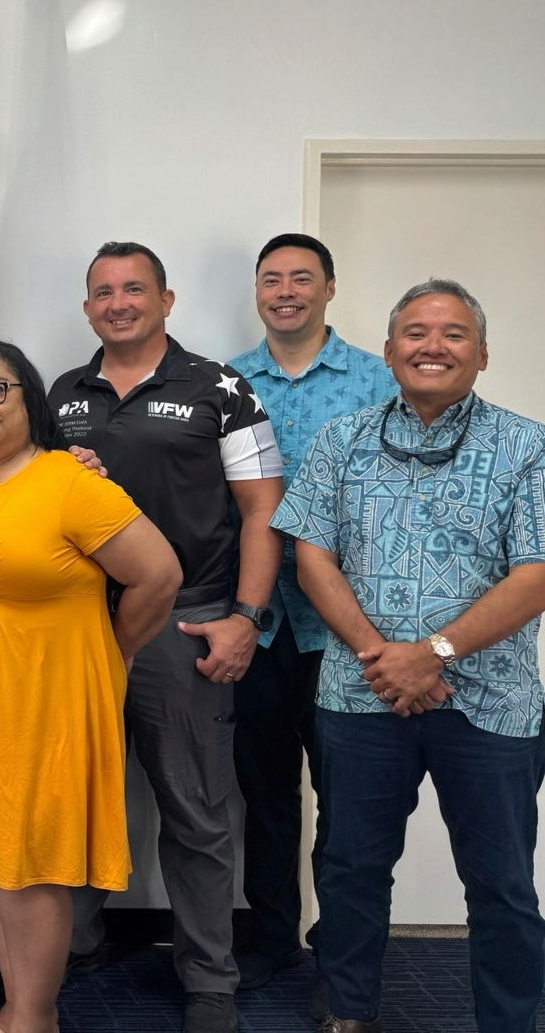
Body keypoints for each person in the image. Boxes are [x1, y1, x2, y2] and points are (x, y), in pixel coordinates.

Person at [272, 279, 545, 1033]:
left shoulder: (529, 444)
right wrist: (378, 653)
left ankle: (510, 1020)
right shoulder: (342, 440)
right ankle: (349, 1012)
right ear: (388, 351)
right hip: (362, 695)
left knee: (501, 883)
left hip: (493, 703)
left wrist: (435, 652)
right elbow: (311, 554)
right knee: (352, 869)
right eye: (415, 333)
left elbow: (537, 573)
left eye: (454, 333)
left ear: (482, 354)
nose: (433, 346)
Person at [0, 338, 181, 1033]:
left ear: (30, 399)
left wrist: (107, 655)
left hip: (40, 703)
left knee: (28, 868)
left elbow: (159, 575)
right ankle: (16, 1008)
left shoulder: (67, 480)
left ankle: (35, 1017)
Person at [49, 241, 284, 1033]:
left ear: (166, 299)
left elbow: (262, 511)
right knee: (79, 796)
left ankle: (209, 978)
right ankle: (74, 945)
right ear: (88, 308)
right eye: (103, 291)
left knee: (196, 810)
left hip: (184, 622)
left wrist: (245, 619)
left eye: (134, 289)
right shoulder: (61, 395)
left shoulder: (221, 386)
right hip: (81, 624)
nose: (118, 302)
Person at [224, 233, 396, 990]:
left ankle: (341, 949)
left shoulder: (376, 379)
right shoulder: (227, 382)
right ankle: (268, 941)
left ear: (330, 287)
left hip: (348, 623)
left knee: (348, 800)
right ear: (257, 291)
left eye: (302, 278)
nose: (285, 290)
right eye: (272, 279)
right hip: (260, 621)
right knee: (263, 794)